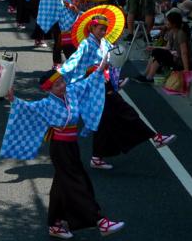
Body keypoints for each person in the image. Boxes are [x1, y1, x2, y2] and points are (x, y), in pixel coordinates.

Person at [0, 70, 125, 239]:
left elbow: (87, 83)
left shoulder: (71, 92)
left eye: (61, 82)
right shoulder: (46, 104)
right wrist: (13, 99)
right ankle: (100, 221)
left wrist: (101, 67)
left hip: (72, 146)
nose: (61, 86)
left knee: (61, 184)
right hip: (60, 148)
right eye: (56, 85)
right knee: (76, 183)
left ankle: (54, 224)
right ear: (48, 90)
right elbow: (28, 108)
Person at [60, 14, 175, 170]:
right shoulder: (86, 44)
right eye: (101, 29)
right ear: (92, 27)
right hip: (95, 88)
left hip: (104, 85)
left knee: (104, 122)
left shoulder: (103, 42)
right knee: (126, 112)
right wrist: (62, 72)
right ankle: (155, 137)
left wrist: (112, 57)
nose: (103, 32)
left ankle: (96, 157)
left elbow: (113, 58)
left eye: (105, 29)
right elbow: (75, 62)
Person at [137, 11, 191, 82]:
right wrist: (153, 47)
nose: (166, 22)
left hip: (179, 60)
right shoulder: (171, 32)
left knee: (159, 54)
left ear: (174, 24)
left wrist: (186, 70)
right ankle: (146, 74)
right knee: (156, 51)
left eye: (168, 21)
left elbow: (184, 53)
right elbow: (167, 47)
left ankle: (149, 77)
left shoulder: (180, 34)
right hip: (173, 56)